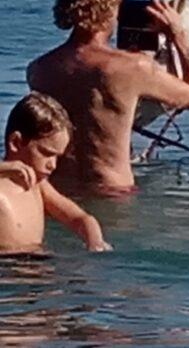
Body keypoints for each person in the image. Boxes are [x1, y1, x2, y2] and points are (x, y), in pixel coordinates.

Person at [27, 0, 189, 194]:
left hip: (57, 195)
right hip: (113, 194)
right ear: (111, 6)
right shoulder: (134, 68)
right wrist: (178, 36)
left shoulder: (38, 70)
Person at [0, 92, 110, 253]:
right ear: (16, 143)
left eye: (57, 157)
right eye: (46, 153)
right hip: (7, 269)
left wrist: (95, 242)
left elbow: (79, 218)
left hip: (36, 262)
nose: (53, 165)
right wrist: (5, 167)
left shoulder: (38, 185)